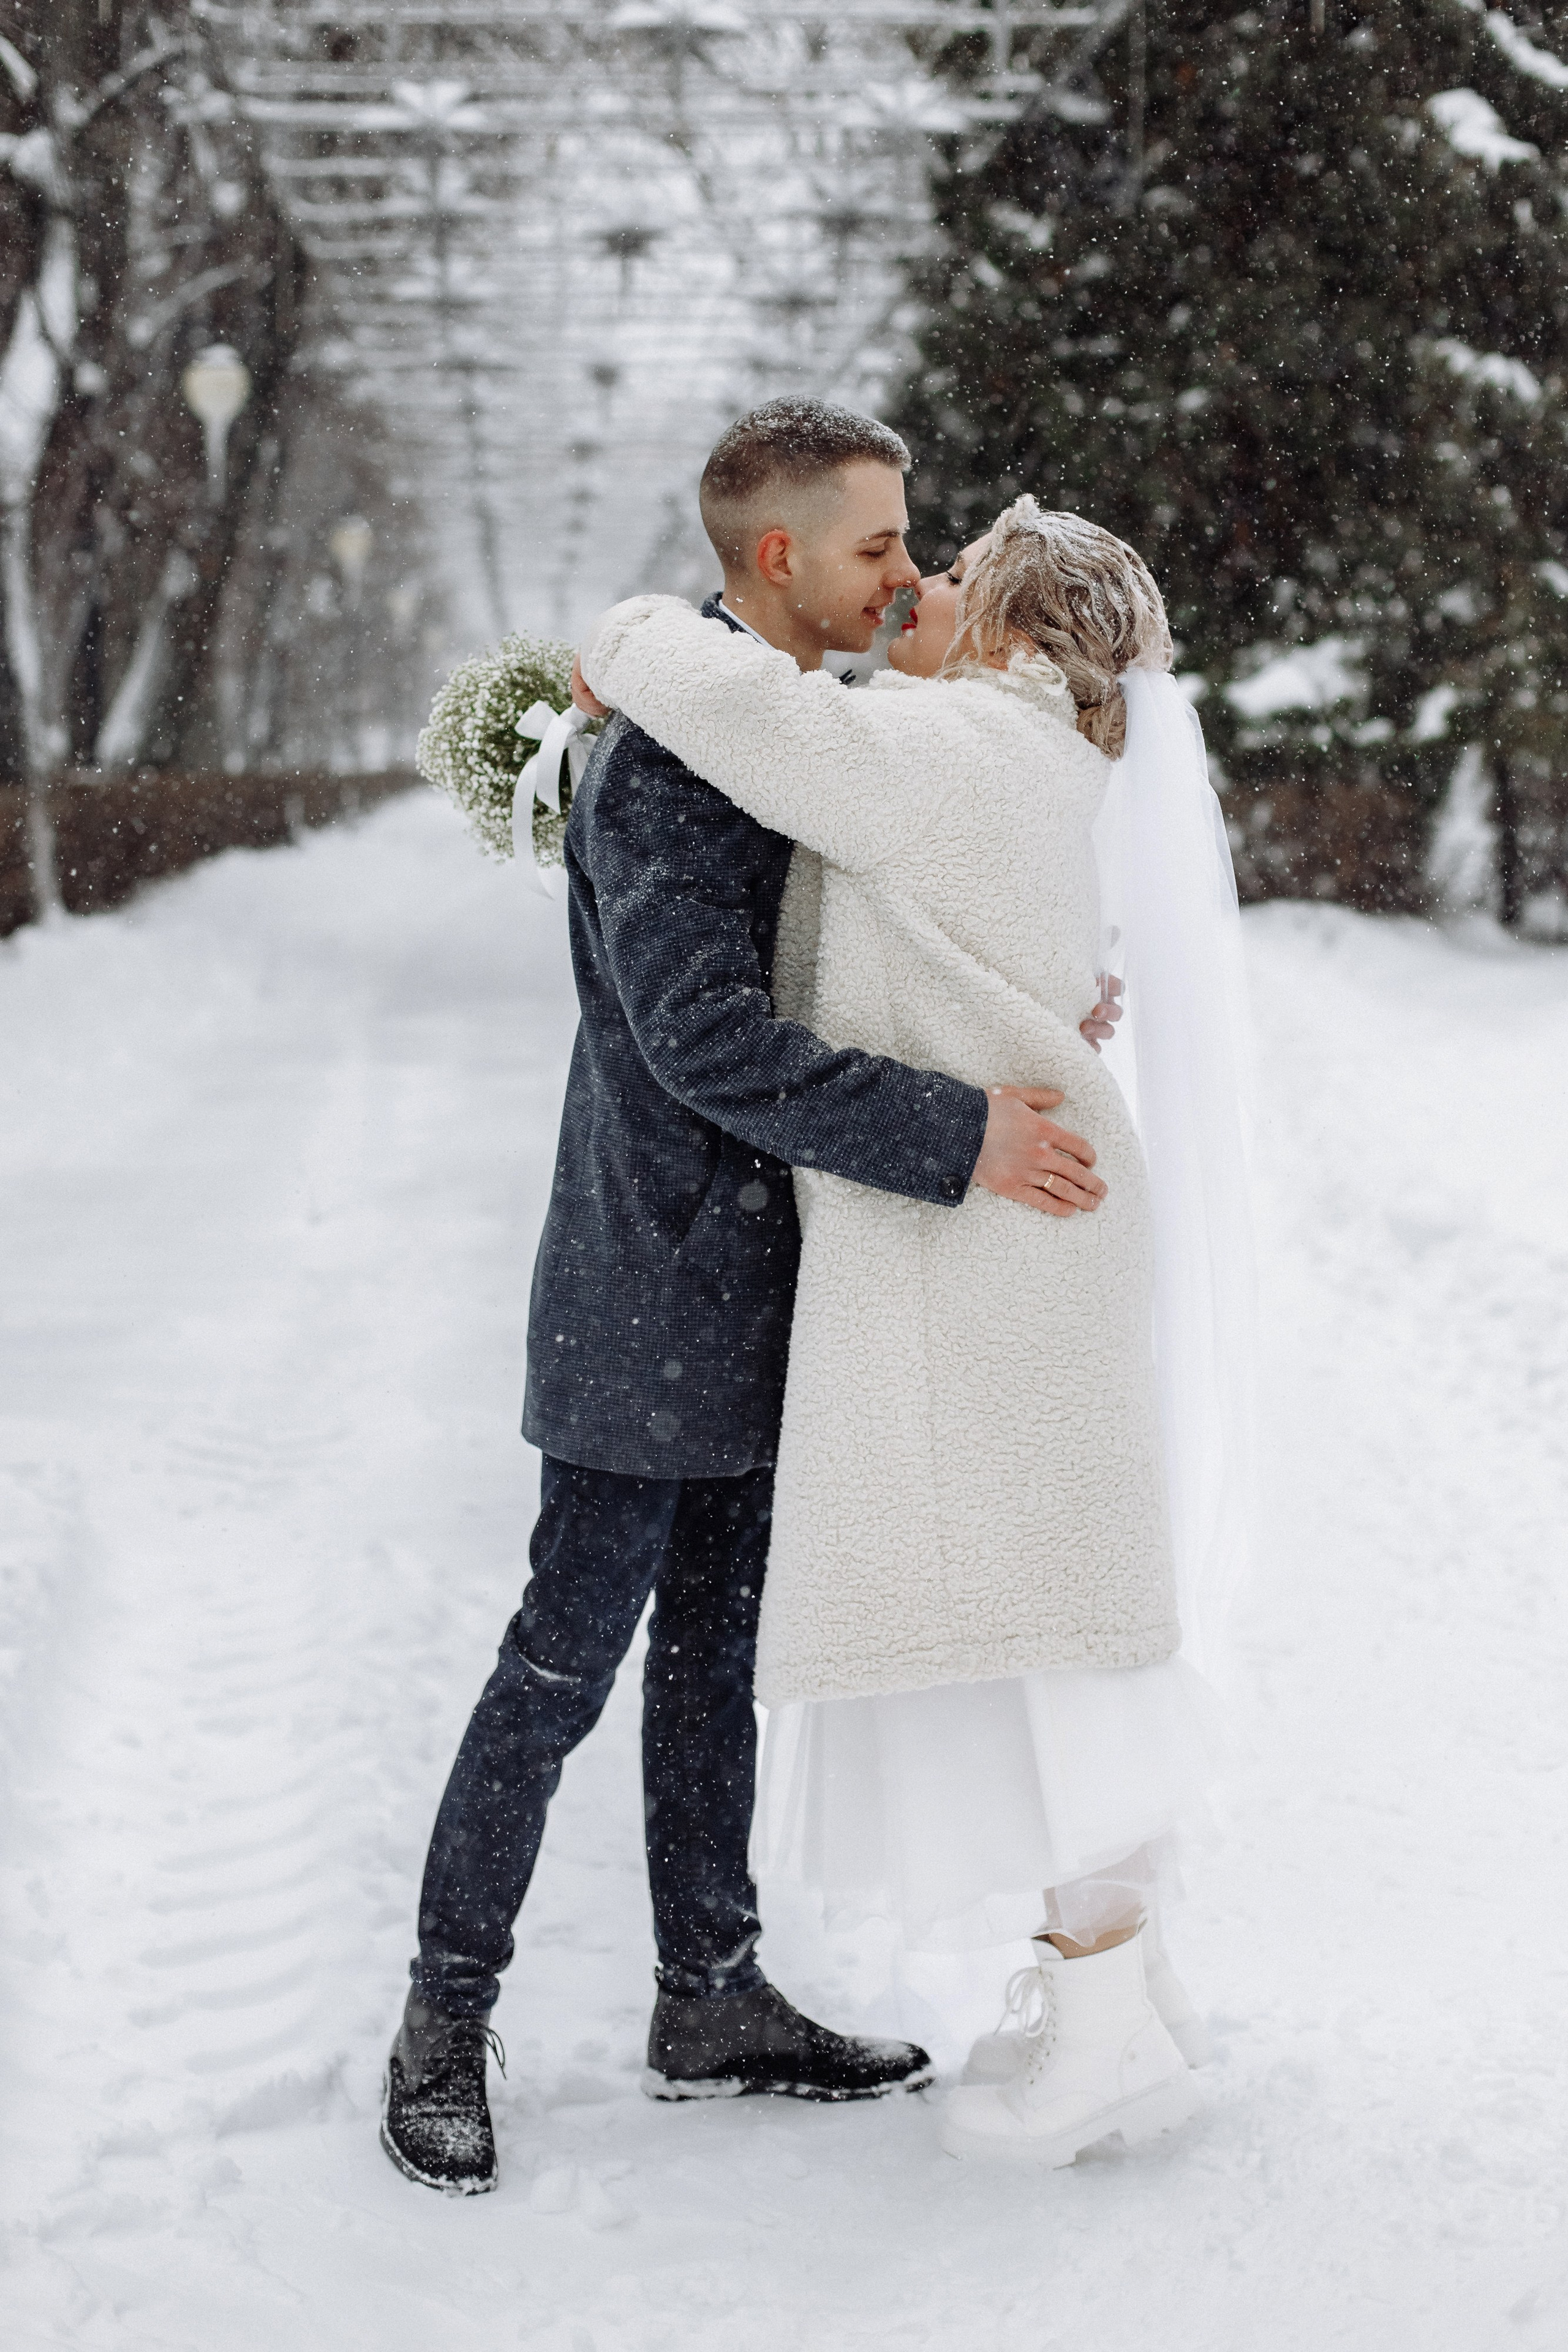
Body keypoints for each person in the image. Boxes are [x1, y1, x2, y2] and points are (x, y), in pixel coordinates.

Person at [380, 401, 1124, 2195]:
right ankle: (438, 2017)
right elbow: (706, 1038)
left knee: (716, 1663)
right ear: (778, 556)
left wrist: (1019, 1020)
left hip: (786, 1273)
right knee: (565, 1658)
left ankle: (707, 1997)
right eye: (878, 544)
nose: (907, 574)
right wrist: (964, 1133)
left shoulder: (801, 732)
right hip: (649, 1278)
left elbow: (865, 946)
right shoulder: (665, 759)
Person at [576, 494, 1253, 2168]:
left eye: (952, 577)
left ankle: (1101, 2027)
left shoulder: (953, 751)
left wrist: (621, 640)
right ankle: (1125, 2000)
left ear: (1016, 632)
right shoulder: (1030, 763)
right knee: (1069, 1618)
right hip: (1032, 1240)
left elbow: (744, 706)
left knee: (1062, 1641)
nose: (922, 589)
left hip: (1005, 1251)